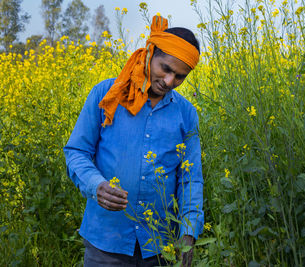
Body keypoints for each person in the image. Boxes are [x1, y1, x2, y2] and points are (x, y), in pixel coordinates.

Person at [63, 15, 204, 267]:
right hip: (105, 241)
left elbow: (190, 178)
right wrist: (96, 186)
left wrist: (189, 231)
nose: (170, 81)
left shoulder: (186, 113)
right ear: (150, 53)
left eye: (180, 77)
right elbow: (76, 152)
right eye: (166, 68)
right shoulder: (106, 95)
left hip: (161, 246)